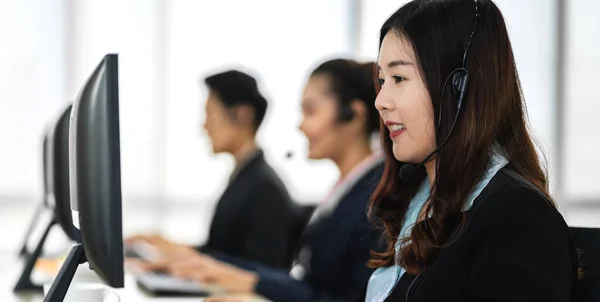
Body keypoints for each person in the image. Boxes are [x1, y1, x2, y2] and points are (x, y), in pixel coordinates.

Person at [365, 0, 579, 301]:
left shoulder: (516, 217)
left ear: (459, 88)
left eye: (399, 78)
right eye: (382, 81)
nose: (381, 101)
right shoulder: (419, 201)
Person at [149, 59, 385, 302]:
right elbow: (305, 281)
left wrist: (249, 281)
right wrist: (218, 268)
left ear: (353, 115)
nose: (301, 125)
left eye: (311, 111)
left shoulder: (377, 200)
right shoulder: (345, 190)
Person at [127, 70, 296, 269]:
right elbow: (222, 252)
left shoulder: (264, 187)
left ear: (241, 114)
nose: (205, 125)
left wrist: (184, 261)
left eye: (210, 113)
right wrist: (164, 246)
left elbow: (255, 271)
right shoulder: (246, 177)